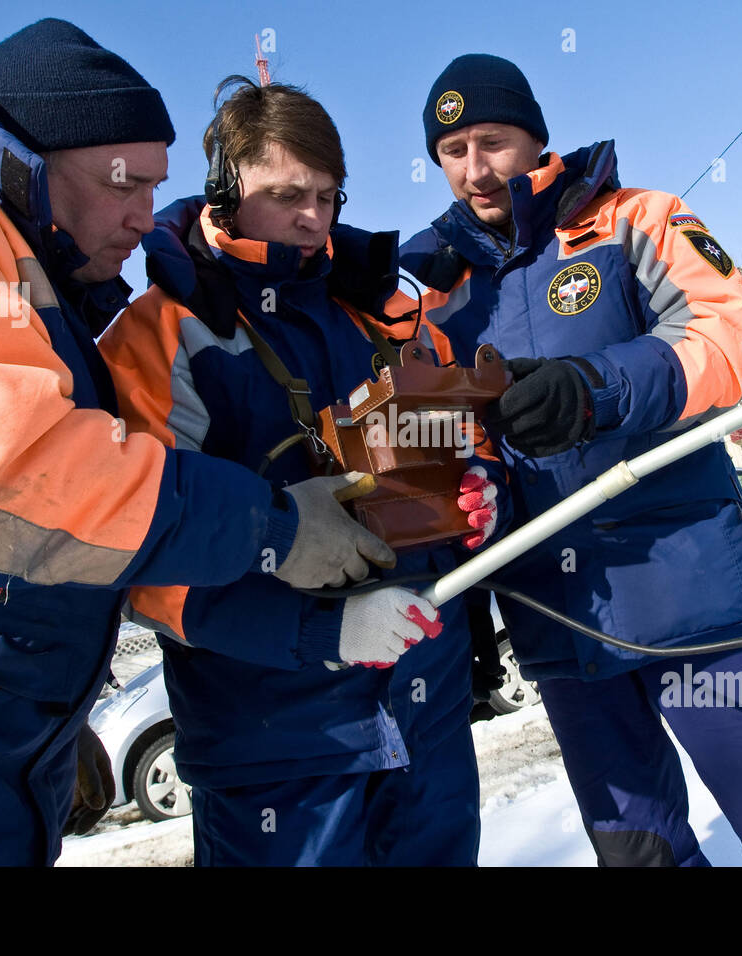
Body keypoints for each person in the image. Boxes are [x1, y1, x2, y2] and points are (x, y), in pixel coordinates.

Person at [0, 20, 392, 866]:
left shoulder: (19, 263)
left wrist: (58, 708)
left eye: (154, 186)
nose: (144, 215)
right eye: (123, 182)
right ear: (26, 154)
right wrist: (274, 529)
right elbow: (2, 474)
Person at [400, 54, 742, 866]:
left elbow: (725, 341)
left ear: (536, 138)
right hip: (559, 622)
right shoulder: (437, 292)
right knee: (638, 856)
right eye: (452, 151)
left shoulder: (635, 219)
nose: (475, 169)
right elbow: (448, 439)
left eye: (493, 141)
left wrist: (594, 388)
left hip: (692, 599)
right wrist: (473, 484)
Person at [99, 77, 504, 866]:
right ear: (223, 190)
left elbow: (468, 437)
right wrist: (323, 631)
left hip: (427, 719)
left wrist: (477, 493)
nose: (314, 217)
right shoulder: (158, 337)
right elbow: (139, 554)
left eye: (328, 194)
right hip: (275, 750)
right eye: (286, 194)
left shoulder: (384, 310)